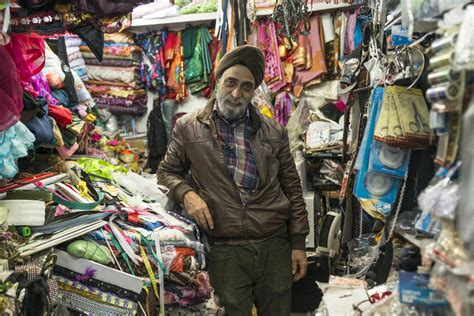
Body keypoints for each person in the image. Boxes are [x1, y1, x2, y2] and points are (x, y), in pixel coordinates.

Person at [157, 45, 309, 316]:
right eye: (230, 83)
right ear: (218, 82)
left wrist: (298, 244)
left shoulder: (274, 131)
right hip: (224, 248)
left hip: (274, 243)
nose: (237, 94)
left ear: (254, 92)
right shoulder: (188, 127)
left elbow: (293, 189)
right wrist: (188, 195)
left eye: (247, 87)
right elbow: (167, 171)